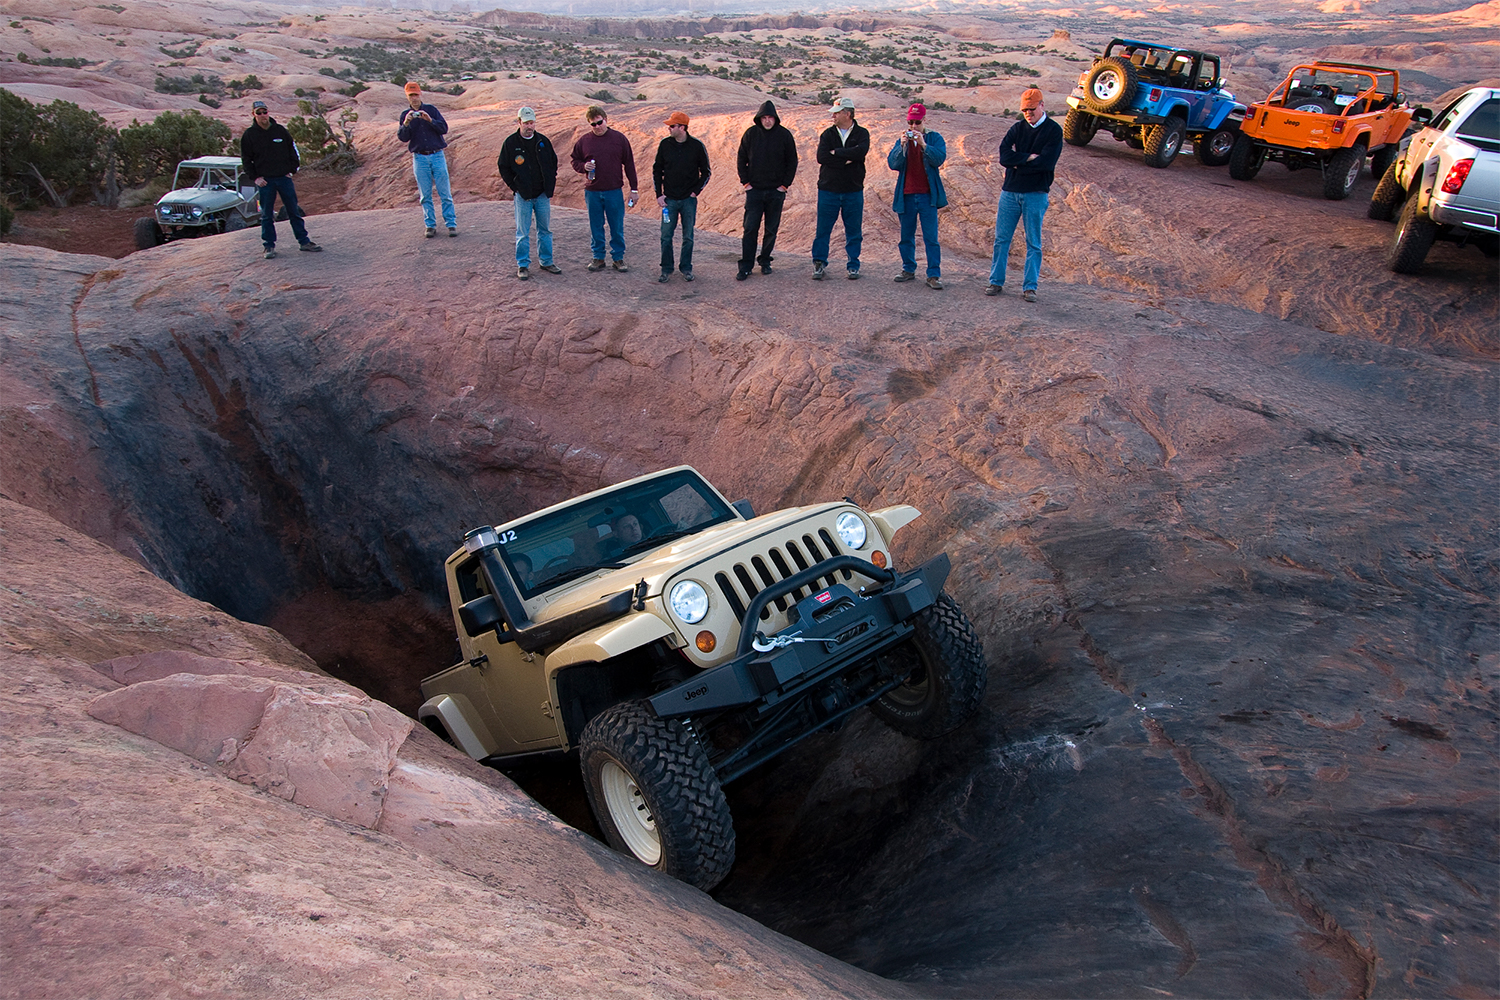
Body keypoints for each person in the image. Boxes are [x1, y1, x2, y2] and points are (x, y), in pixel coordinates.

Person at [989, 88, 1063, 302]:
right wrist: (1028, 158)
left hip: (1036, 193)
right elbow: (1004, 156)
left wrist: (1017, 162)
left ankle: (1030, 287)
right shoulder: (1017, 128)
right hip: (1010, 192)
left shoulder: (1053, 131)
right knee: (1001, 239)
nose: (1028, 114)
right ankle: (995, 282)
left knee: (1033, 242)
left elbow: (1047, 163)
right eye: (1024, 110)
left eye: (1031, 109)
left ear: (1042, 105)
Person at [240, 100, 321, 259]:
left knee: (293, 210)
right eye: (259, 113)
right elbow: (246, 160)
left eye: (265, 112)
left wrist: (291, 170)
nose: (263, 115)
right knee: (266, 215)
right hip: (265, 181)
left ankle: (304, 241)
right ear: (253, 114)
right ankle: (269, 246)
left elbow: (293, 151)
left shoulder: (280, 131)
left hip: (284, 179)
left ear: (268, 112)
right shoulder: (249, 135)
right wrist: (255, 178)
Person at [735, 100, 798, 280]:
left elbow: (792, 161)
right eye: (764, 117)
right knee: (750, 228)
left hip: (775, 192)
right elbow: (741, 159)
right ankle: (746, 265)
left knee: (771, 229)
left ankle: (765, 261)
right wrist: (746, 183)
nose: (768, 121)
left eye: (770, 117)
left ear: (775, 118)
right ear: (759, 118)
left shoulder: (784, 135)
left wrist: (784, 185)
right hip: (754, 190)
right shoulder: (751, 134)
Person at [570, 107, 638, 272]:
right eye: (593, 124)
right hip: (592, 191)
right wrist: (583, 166)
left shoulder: (619, 139)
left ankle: (618, 258)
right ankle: (598, 257)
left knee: (616, 225)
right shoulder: (584, 141)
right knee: (596, 226)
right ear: (589, 124)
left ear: (606, 119)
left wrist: (634, 189)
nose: (598, 126)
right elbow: (574, 160)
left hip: (613, 191)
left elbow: (629, 164)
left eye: (600, 122)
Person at [887, 103, 946, 289]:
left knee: (931, 238)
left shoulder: (934, 138)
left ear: (924, 121)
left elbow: (939, 159)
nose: (913, 126)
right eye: (910, 122)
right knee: (906, 235)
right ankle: (908, 269)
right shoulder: (902, 140)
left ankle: (933, 274)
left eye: (917, 122)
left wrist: (924, 145)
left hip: (928, 196)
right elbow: (893, 163)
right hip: (906, 195)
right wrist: (902, 146)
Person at [498, 106, 560, 280]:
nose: (529, 126)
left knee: (545, 230)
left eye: (532, 122)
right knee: (523, 232)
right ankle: (523, 265)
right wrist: (515, 186)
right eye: (526, 123)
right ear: (519, 122)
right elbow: (503, 167)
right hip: (523, 196)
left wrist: (549, 183)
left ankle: (546, 261)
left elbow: (553, 163)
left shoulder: (543, 141)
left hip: (541, 194)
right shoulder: (511, 143)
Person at [811, 97, 870, 280]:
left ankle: (853, 264)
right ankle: (819, 263)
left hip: (853, 190)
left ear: (848, 113)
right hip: (829, 189)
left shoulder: (862, 133)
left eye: (837, 113)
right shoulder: (827, 134)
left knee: (853, 230)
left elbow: (861, 152)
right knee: (823, 229)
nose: (833, 116)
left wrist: (837, 153)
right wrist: (847, 159)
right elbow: (822, 157)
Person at [652, 111, 712, 283]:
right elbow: (657, 170)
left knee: (688, 236)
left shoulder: (696, 146)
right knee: (666, 235)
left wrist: (695, 191)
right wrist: (659, 195)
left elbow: (706, 172)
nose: (669, 129)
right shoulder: (665, 145)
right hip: (669, 199)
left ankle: (686, 267)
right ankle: (666, 269)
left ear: (682, 127)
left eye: (672, 126)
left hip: (688, 200)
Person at [397, 82, 458, 238]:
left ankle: (451, 224)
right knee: (425, 194)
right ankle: (430, 225)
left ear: (420, 94)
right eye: (411, 95)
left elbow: (444, 128)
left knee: (444, 192)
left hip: (437, 155)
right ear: (407, 96)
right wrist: (406, 123)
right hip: (420, 157)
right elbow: (403, 138)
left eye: (416, 94)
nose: (414, 98)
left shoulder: (431, 110)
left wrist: (430, 120)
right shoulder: (405, 114)